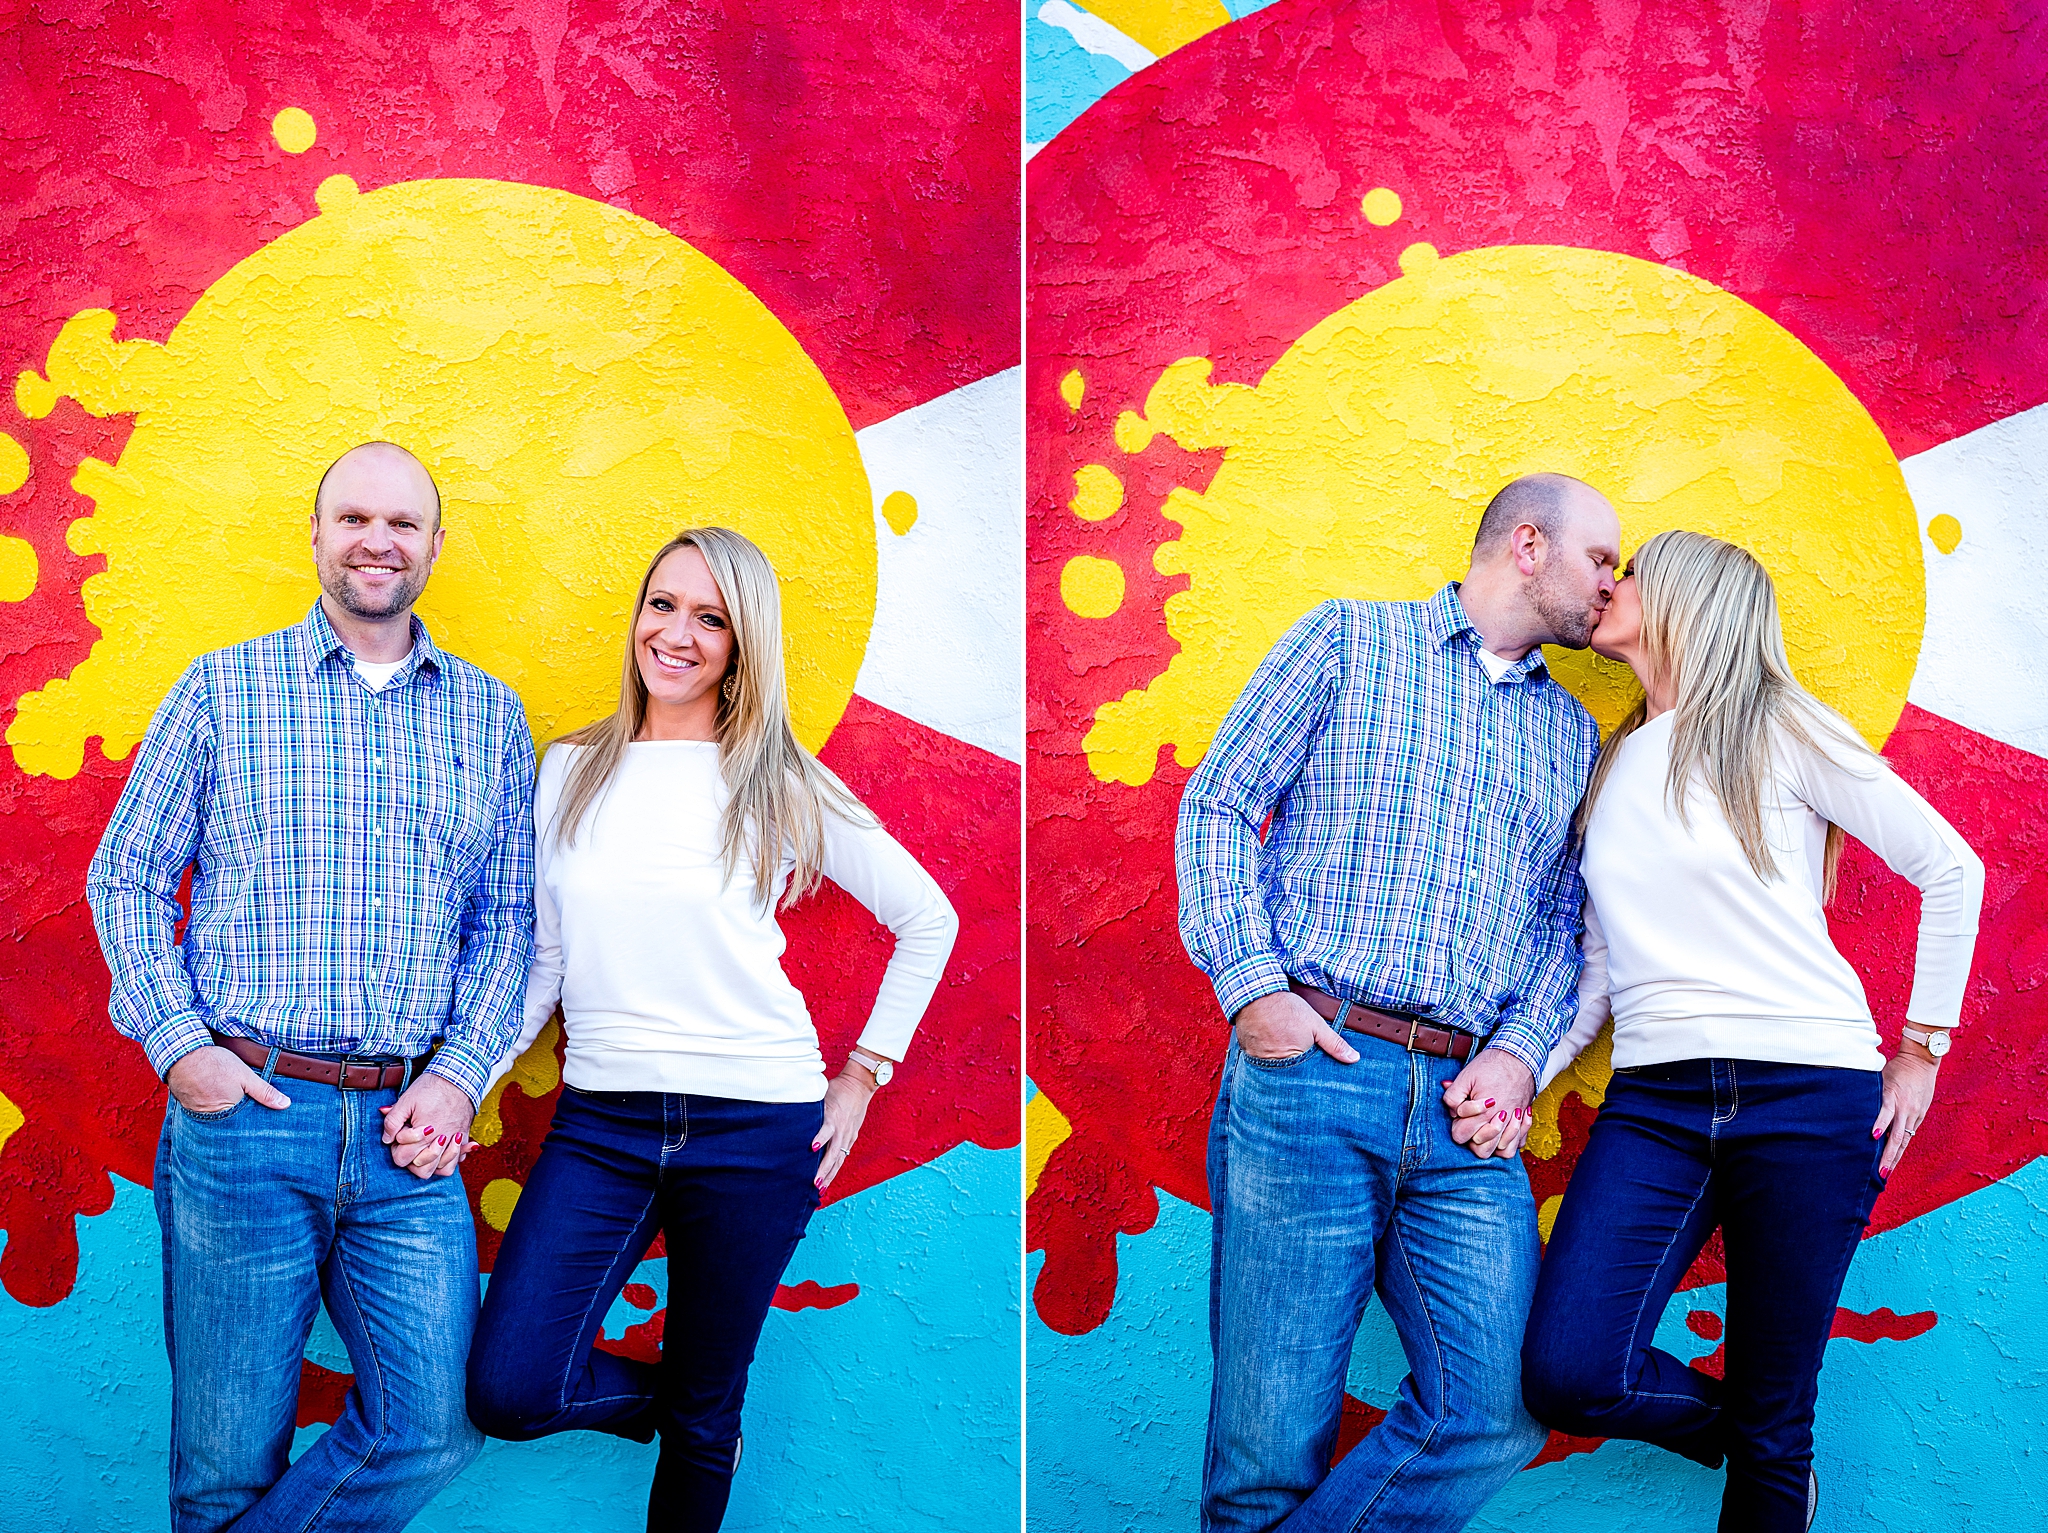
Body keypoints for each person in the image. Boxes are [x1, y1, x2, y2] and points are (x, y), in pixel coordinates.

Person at [461, 525, 959, 1531]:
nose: (676, 634)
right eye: (661, 605)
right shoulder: (570, 771)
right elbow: (545, 963)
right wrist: (458, 1082)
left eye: (709, 618)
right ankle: (693, 1414)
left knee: (704, 1415)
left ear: (741, 645)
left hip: (757, 1130)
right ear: (636, 616)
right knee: (509, 1390)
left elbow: (927, 918)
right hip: (600, 1125)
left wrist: (860, 1075)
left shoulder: (774, 778)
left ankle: (700, 1419)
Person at [86, 441, 536, 1532]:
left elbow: (509, 921)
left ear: (434, 544)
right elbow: (128, 875)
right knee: (224, 1463)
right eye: (353, 519)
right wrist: (183, 1050)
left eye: (402, 524)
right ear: (318, 534)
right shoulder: (223, 687)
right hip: (248, 1115)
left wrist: (460, 1075)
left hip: (406, 1131)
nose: (377, 542)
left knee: (432, 1424)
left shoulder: (488, 715)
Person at [1177, 473, 1622, 1532]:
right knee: (1265, 1451)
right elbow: (1219, 803)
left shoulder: (1570, 736)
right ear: (1526, 544)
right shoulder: (1344, 641)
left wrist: (1516, 1056)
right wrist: (1254, 995)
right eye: (1598, 558)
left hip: (1467, 1119)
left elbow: (1558, 924)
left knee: (1493, 1412)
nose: (1609, 585)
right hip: (1311, 1076)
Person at [1516, 531, 1984, 1531]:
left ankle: (1773, 1460)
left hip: (1807, 1097)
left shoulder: (1777, 727)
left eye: (1627, 570)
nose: (1607, 583)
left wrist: (1919, 1052)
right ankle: (1768, 1451)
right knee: (1568, 1374)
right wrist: (1524, 1071)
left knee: (1777, 1420)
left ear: (1684, 597)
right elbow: (1599, 966)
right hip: (1654, 1103)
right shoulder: (1613, 765)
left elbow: (1950, 869)